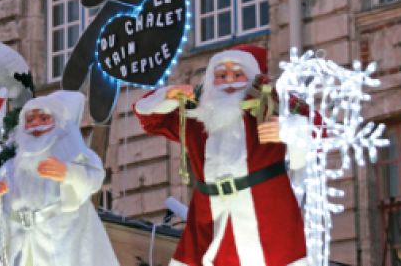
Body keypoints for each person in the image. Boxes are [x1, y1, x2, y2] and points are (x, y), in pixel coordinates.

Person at [134, 44, 314, 266]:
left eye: (238, 74)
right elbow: (150, 118)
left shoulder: (275, 104)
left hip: (266, 216)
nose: (229, 81)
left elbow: (322, 130)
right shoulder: (197, 115)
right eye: (221, 75)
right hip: (209, 220)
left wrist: (289, 129)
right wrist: (167, 96)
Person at [0, 91, 119, 266]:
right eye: (30, 120)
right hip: (23, 243)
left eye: (44, 119)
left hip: (62, 238)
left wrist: (69, 172)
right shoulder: (13, 167)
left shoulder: (72, 154)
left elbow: (94, 176)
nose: (36, 124)